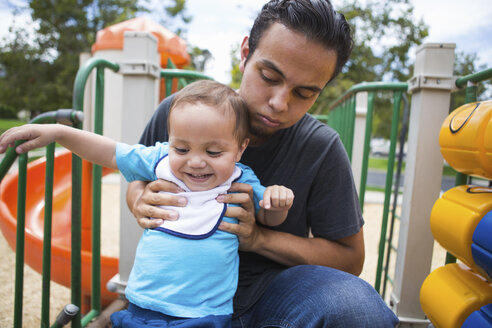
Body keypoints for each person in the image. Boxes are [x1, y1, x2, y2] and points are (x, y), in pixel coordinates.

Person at [127, 0, 400, 327]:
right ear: (245, 53)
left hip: (272, 294)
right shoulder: (182, 113)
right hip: (174, 294)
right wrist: (140, 201)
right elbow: (138, 179)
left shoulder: (321, 147)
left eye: (304, 93)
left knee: (359, 309)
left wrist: (258, 239)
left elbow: (351, 258)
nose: (278, 104)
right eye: (270, 76)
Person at [0, 80, 294, 328]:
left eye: (214, 152)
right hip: (142, 304)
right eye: (181, 148)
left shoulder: (242, 179)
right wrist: (60, 133)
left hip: (203, 314)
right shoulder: (160, 160)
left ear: (240, 148)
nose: (195, 161)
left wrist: (277, 204)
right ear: (169, 142)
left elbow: (268, 219)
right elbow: (109, 152)